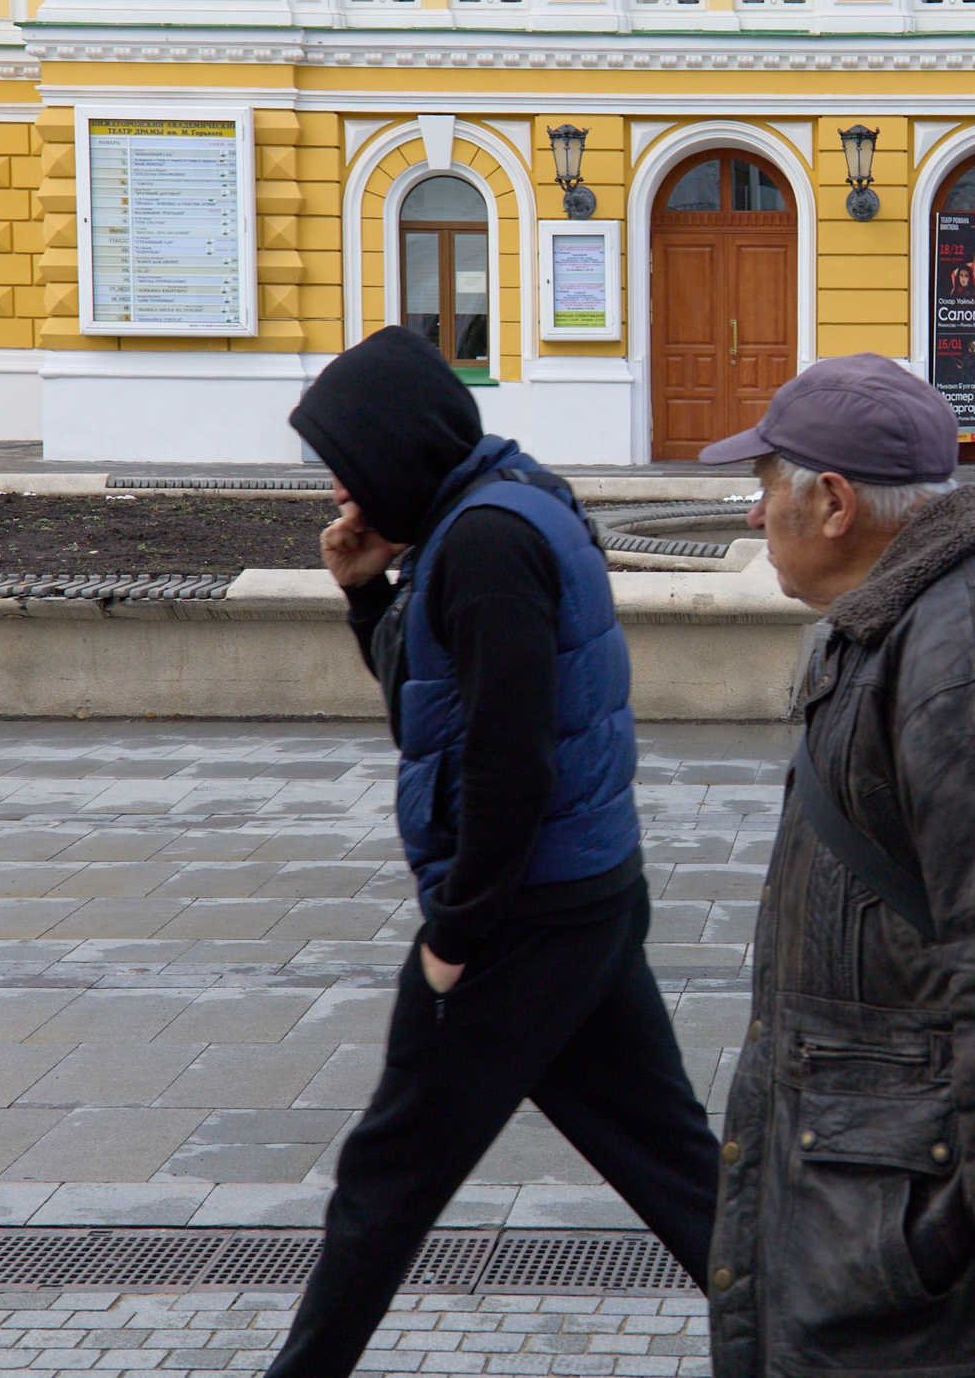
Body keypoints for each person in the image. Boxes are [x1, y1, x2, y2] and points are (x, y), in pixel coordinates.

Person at [262, 327, 720, 1378]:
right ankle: (822, 1341)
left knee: (385, 1181)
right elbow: (441, 709)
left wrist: (455, 939)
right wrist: (367, 594)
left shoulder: (481, 546)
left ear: (395, 447)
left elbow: (509, 762)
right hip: (586, 892)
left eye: (345, 459)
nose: (335, 486)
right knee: (679, 1171)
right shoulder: (514, 501)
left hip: (522, 919)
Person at [696, 353, 975, 1378]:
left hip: (916, 1241)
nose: (755, 514)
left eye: (764, 486)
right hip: (871, 1196)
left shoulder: (974, 659)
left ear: (833, 503)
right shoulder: (899, 623)